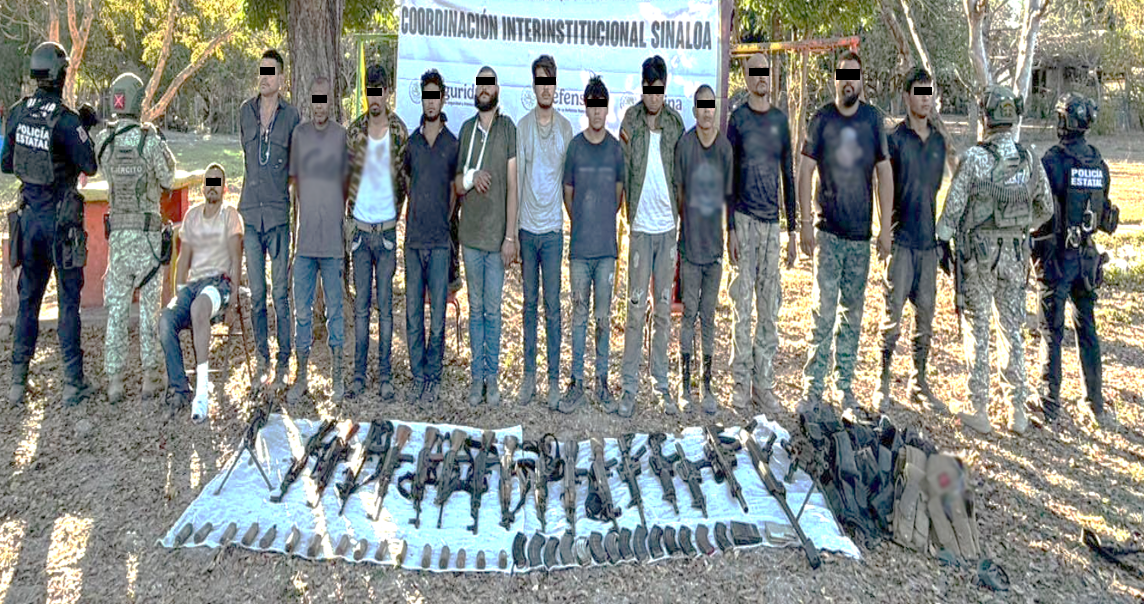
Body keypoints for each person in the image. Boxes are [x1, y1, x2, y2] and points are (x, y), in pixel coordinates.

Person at [936, 85, 1053, 436]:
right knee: (1011, 330)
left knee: (977, 326)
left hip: (978, 256)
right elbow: (1045, 209)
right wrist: (1020, 228)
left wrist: (942, 240)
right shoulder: (1029, 157)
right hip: (1015, 256)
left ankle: (979, 408)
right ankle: (1016, 410)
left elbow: (953, 210)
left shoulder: (974, 159)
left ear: (986, 118)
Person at [3, 41, 99, 406]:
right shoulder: (66, 119)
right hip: (61, 223)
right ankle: (73, 384)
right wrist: (85, 127)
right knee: (68, 303)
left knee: (29, 299)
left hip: (29, 220)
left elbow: (6, 163)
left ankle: (17, 380)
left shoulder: (17, 112)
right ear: (60, 74)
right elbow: (88, 164)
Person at [797, 50, 893, 412]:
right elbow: (805, 170)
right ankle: (812, 387)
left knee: (852, 313)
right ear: (834, 79)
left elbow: (884, 174)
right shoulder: (821, 120)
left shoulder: (872, 121)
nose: (847, 81)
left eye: (854, 75)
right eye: (842, 75)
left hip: (859, 237)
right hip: (828, 234)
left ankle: (844, 386)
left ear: (861, 80)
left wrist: (884, 230)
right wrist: (805, 222)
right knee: (822, 311)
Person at [1033, 92, 1117, 429]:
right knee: (1088, 330)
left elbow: (1040, 212)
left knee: (1050, 332)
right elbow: (1106, 214)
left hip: (1057, 259)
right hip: (1087, 257)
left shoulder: (1052, 161)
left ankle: (1048, 402)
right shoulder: (1099, 163)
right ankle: (1094, 403)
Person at [97, 72, 177, 404]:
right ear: (138, 100)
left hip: (118, 241)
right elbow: (169, 178)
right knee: (148, 310)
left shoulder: (106, 140)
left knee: (115, 309)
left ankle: (115, 381)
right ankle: (150, 377)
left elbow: (104, 172)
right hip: (146, 239)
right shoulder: (150, 142)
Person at [726, 52, 797, 412]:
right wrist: (730, 229)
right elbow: (728, 177)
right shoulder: (737, 121)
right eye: (753, 72)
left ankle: (763, 385)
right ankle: (739, 383)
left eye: (764, 72)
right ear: (746, 75)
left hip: (772, 226)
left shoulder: (780, 121)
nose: (760, 78)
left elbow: (789, 175)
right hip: (744, 221)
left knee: (769, 310)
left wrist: (793, 230)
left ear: (770, 76)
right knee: (743, 307)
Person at [874, 67, 947, 413]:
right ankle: (882, 381)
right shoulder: (894, 139)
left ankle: (918, 382)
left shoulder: (938, 141)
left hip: (927, 244)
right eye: (918, 92)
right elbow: (882, 186)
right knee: (892, 318)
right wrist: (884, 230)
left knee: (926, 320)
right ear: (906, 97)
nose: (924, 99)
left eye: (928, 93)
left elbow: (935, 189)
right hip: (900, 241)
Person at [618, 55, 685, 417]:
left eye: (658, 90)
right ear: (642, 87)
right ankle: (629, 387)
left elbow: (682, 174)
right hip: (641, 230)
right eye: (648, 89)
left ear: (664, 88)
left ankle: (661, 383)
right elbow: (624, 168)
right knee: (632, 310)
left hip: (667, 231)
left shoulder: (676, 124)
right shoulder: (630, 120)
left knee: (662, 311)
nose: (653, 97)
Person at [453, 66, 518, 407]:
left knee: (493, 311)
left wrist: (510, 236)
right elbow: (456, 183)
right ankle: (476, 379)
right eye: (479, 83)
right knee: (475, 309)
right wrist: (471, 178)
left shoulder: (508, 129)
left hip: (496, 240)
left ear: (497, 89)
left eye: (489, 83)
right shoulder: (466, 130)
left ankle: (493, 379)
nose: (483, 89)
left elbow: (512, 183)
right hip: (470, 237)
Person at [560, 76, 625, 414]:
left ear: (606, 108)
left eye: (602, 105)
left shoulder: (615, 149)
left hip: (606, 252)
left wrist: (599, 220)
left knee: (603, 317)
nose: (597, 111)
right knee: (579, 316)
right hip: (580, 251)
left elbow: (617, 196)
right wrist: (583, 220)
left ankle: (602, 381)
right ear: (585, 108)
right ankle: (576, 383)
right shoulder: (575, 147)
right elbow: (568, 194)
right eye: (592, 105)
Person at [159, 163, 243, 421]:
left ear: (224, 188)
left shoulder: (230, 216)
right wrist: (177, 292)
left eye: (217, 183)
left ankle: (202, 393)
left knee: (199, 308)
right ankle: (180, 389)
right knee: (166, 320)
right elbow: (183, 259)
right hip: (193, 286)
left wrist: (234, 301)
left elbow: (236, 258)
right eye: (209, 182)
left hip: (220, 283)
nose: (212, 188)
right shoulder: (193, 216)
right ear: (204, 186)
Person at [345, 63, 409, 403]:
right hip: (359, 233)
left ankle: (385, 376)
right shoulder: (354, 132)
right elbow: (347, 178)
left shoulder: (400, 132)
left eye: (379, 91)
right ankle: (358, 375)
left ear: (387, 93)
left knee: (385, 308)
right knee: (361, 309)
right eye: (370, 91)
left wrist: (394, 217)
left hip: (385, 233)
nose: (375, 97)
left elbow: (404, 182)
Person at [238, 48, 300, 388]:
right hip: (250, 214)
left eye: (271, 72)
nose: (265, 78)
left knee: (280, 294)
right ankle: (262, 358)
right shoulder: (244, 113)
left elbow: (295, 170)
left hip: (278, 216)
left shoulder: (292, 117)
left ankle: (283, 361)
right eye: (261, 72)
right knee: (257, 294)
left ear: (281, 78)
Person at [516, 55, 574, 410]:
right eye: (540, 82)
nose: (545, 88)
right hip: (526, 230)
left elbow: (569, 183)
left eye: (550, 82)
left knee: (553, 307)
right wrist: (512, 233)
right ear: (534, 85)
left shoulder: (566, 129)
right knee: (528, 306)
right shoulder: (523, 127)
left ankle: (553, 380)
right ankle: (528, 378)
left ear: (556, 85)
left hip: (553, 231)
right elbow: (518, 179)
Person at [286, 76, 348, 404]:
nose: (320, 106)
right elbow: (294, 184)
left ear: (331, 101)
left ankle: (338, 377)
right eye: (315, 100)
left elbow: (346, 183)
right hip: (305, 243)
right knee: (302, 313)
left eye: (325, 100)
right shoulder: (300, 135)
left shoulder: (341, 136)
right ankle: (301, 377)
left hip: (333, 244)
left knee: (335, 310)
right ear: (309, 102)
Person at [674, 85, 733, 415]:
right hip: (690, 248)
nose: (708, 112)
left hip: (714, 252)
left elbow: (729, 198)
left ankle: (707, 386)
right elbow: (680, 192)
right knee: (689, 316)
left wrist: (730, 233)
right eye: (702, 106)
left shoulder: (724, 148)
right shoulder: (685, 145)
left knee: (708, 319)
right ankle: (685, 387)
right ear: (695, 111)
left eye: (712, 106)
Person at [404, 69, 459, 408]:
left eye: (435, 95)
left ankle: (434, 378)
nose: (430, 101)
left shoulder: (453, 144)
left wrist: (442, 219)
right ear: (422, 99)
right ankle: (417, 377)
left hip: (440, 242)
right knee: (412, 314)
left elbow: (455, 193)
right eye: (426, 95)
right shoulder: (411, 143)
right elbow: (408, 185)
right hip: (412, 243)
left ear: (443, 98)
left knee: (437, 314)